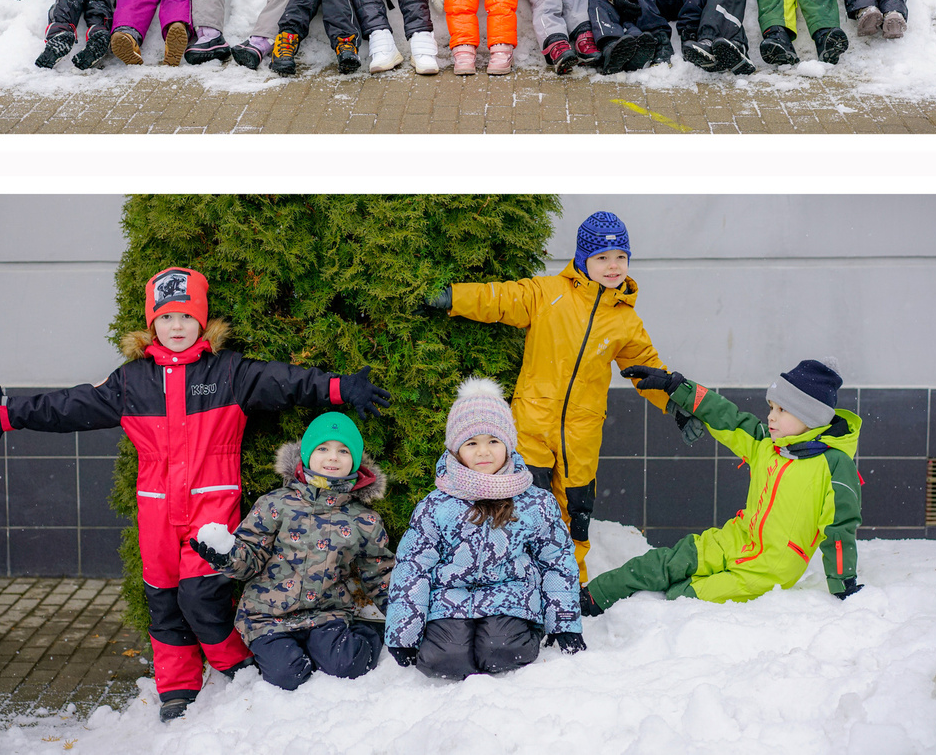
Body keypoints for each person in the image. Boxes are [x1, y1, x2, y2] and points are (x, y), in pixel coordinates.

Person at [0, 268, 388, 721]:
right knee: (164, 599)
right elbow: (72, 405)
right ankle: (177, 686)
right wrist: (13, 413)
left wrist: (339, 387)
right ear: (152, 322)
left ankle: (235, 663)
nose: (176, 326)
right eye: (167, 316)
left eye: (187, 316)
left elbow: (285, 381)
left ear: (202, 321)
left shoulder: (228, 373)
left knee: (202, 595)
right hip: (155, 508)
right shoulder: (132, 382)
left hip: (211, 506)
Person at [423, 211, 676, 580]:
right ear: (582, 259)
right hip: (532, 424)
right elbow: (499, 298)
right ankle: (523, 580)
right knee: (525, 507)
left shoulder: (625, 321)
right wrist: (453, 298)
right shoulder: (546, 294)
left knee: (576, 512)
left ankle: (571, 584)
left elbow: (647, 368)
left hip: (582, 433)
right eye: (603, 258)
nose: (613, 266)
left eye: (621, 257)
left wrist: (678, 402)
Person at [587, 361, 862, 612]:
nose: (771, 417)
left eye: (782, 410)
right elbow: (726, 416)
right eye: (771, 408)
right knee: (663, 564)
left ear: (810, 416)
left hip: (768, 570)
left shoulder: (834, 464)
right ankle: (590, 597)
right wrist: (676, 386)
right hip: (734, 541)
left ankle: (640, 607)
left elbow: (839, 527)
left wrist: (843, 583)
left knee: (682, 597)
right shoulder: (766, 445)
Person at [384, 379, 585, 680]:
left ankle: (514, 636)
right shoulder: (436, 505)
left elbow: (557, 560)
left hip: (511, 597)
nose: (483, 452)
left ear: (508, 445)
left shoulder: (535, 502)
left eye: (493, 441)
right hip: (450, 599)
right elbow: (413, 566)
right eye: (471, 443)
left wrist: (564, 622)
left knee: (501, 650)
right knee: (443, 659)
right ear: (456, 450)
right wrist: (404, 633)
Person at [191, 415, 392, 692]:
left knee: (347, 665)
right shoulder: (275, 504)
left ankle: (367, 633)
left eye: (344, 451)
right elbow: (251, 555)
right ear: (307, 454)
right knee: (287, 675)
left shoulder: (363, 519)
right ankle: (295, 655)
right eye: (323, 448)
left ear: (355, 461)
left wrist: (401, 615)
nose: (332, 457)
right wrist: (227, 555)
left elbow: (380, 572)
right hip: (268, 617)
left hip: (326, 615)